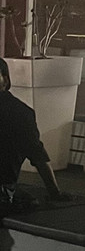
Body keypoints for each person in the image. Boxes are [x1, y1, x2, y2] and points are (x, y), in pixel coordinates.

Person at [0, 57, 70, 207]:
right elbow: (38, 156)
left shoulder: (19, 112)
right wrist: (54, 193)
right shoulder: (20, 112)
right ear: (5, 80)